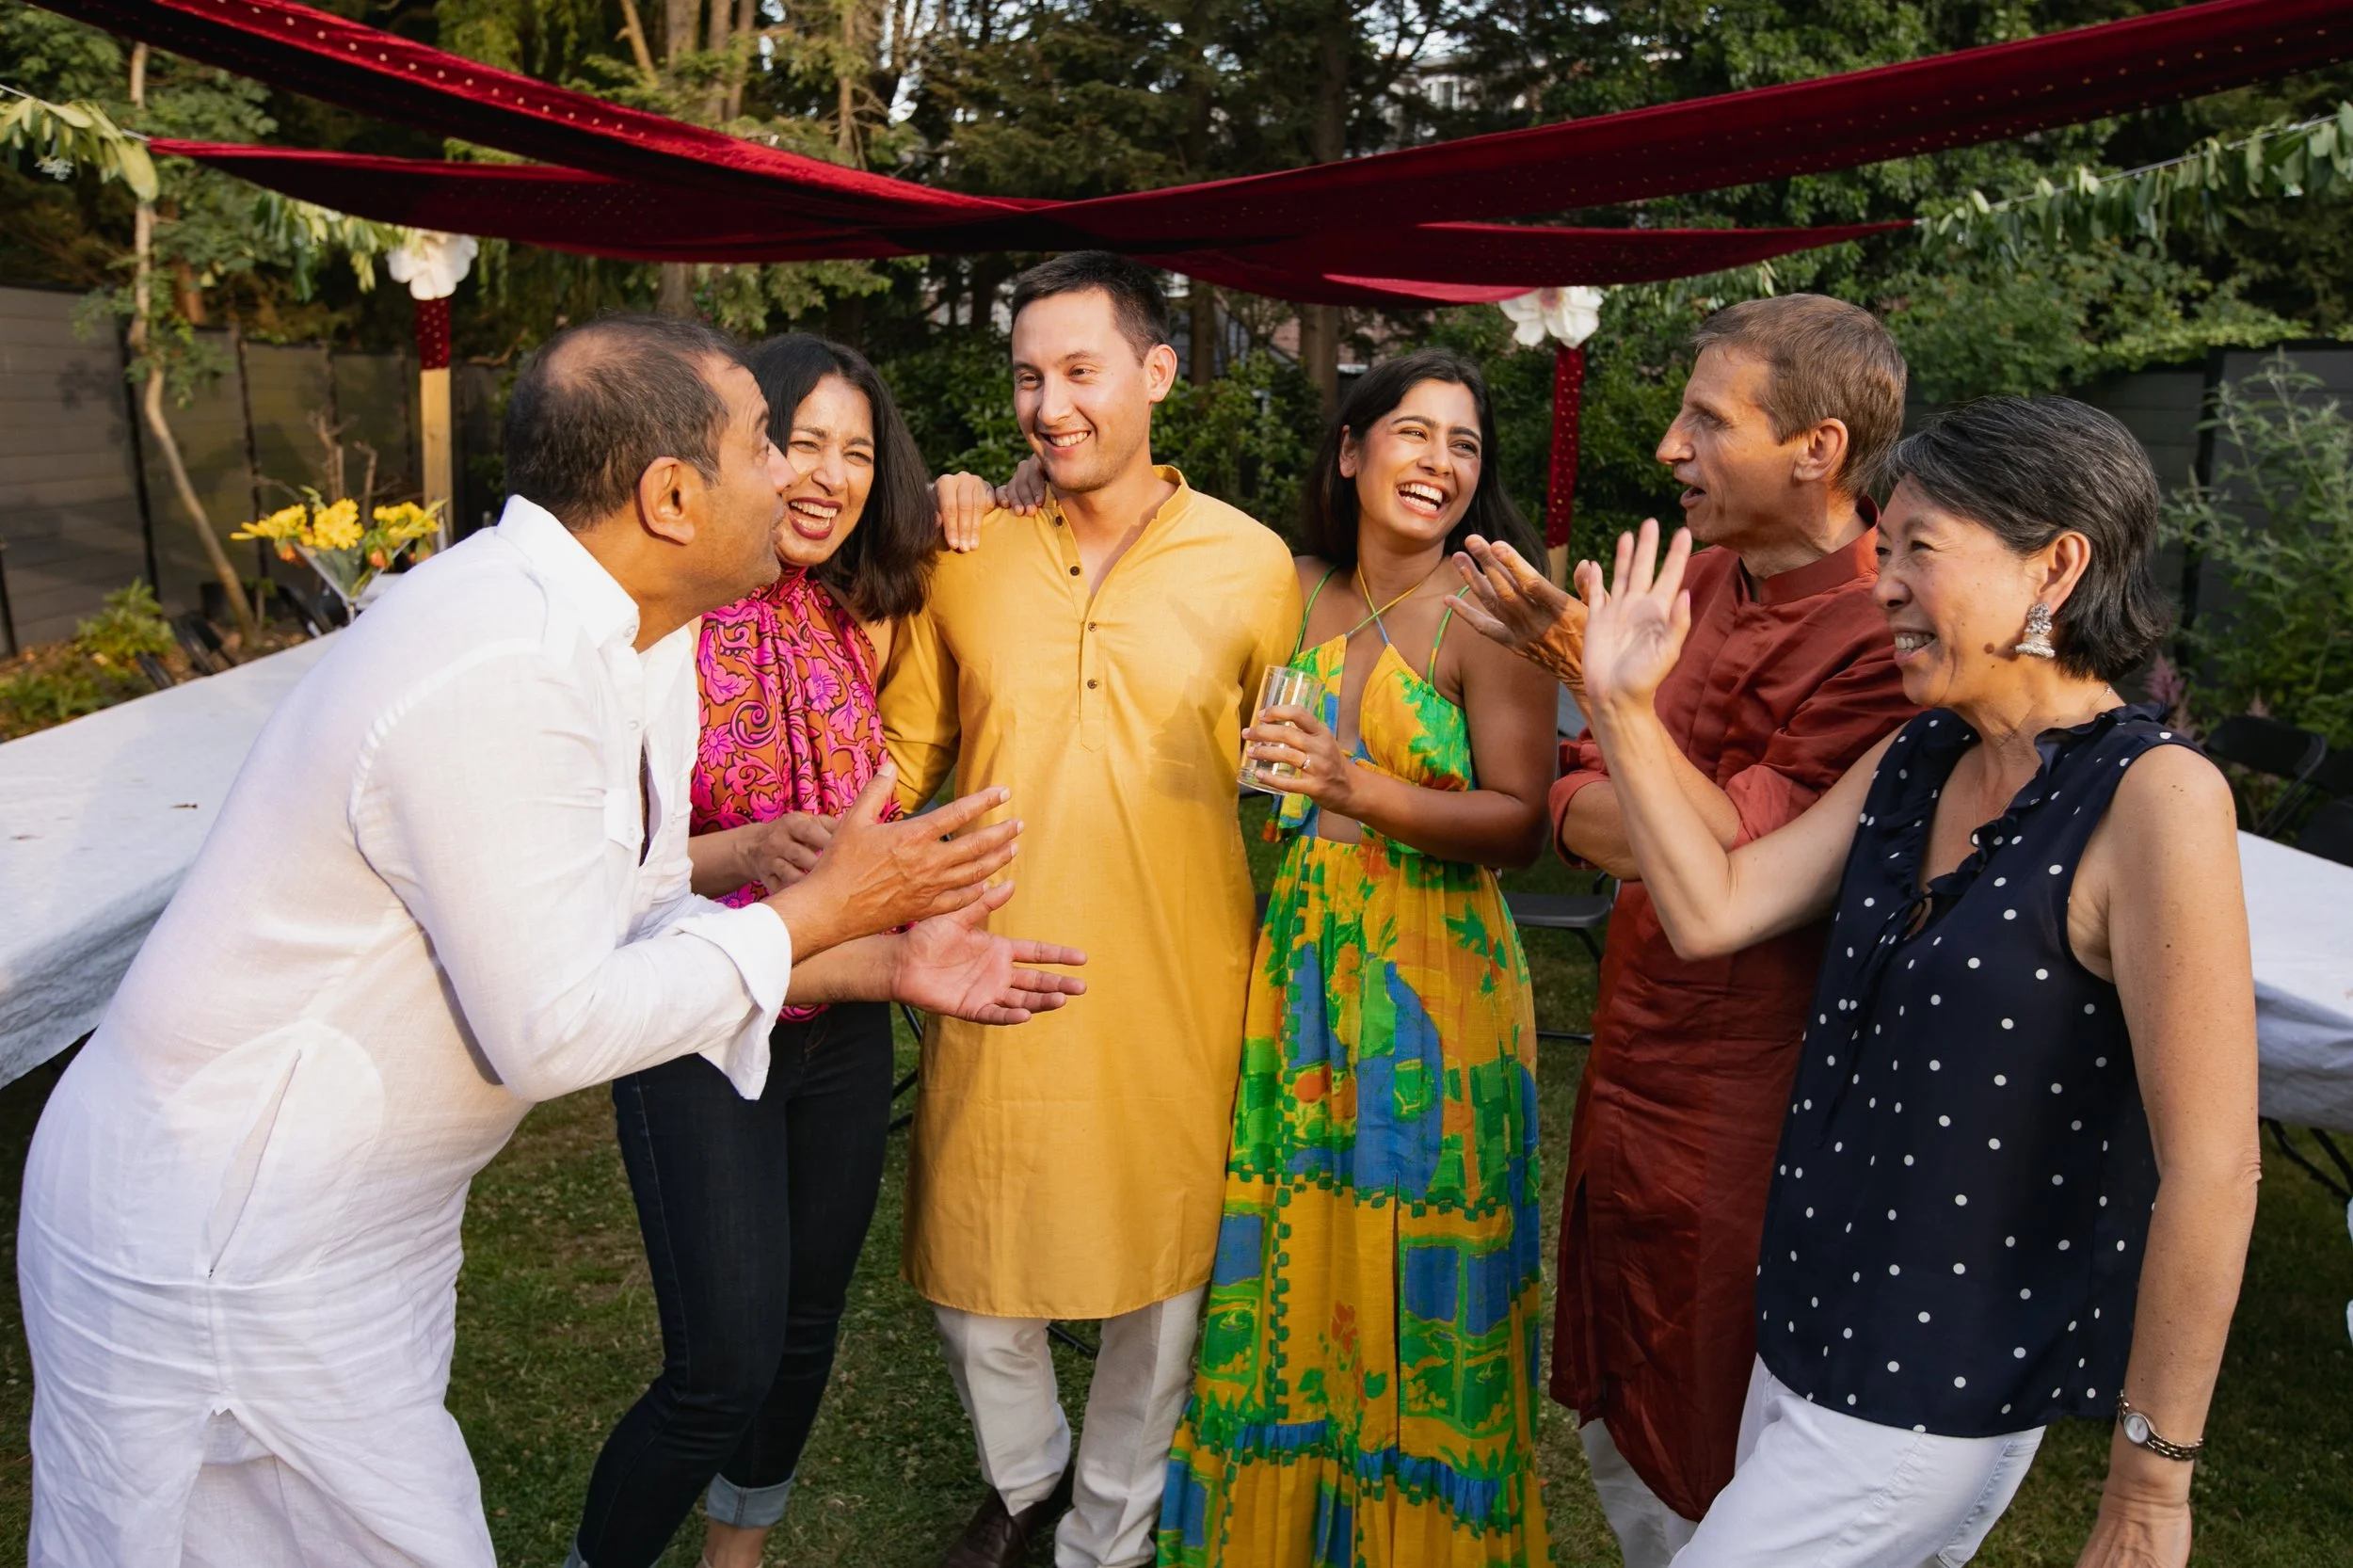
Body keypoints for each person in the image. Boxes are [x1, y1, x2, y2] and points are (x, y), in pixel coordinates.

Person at [17, 314, 1084, 1568]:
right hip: (220, 1241)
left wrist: (878, 964)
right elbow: (551, 1024)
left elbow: (626, 912)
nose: (799, 478)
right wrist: (821, 911)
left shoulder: (637, 632)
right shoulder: (499, 659)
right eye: (765, 446)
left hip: (351, 1225)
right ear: (674, 496)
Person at [1573, 396, 2256, 1567]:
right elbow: (1711, 910)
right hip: (1798, 1332)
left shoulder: (2156, 800)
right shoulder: (1919, 754)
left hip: (1935, 1383)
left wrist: (2150, 1483)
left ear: (2057, 565)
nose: (1881, 581)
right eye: (1880, 549)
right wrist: (1624, 709)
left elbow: (2212, 1164)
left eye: (1917, 548)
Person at [1451, 295, 1918, 1563]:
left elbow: (1732, 865)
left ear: (1817, 449)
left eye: (1708, 421)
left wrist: (1589, 688)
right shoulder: (1701, 576)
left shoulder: (1882, 633)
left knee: (1715, 1430)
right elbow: (1575, 802)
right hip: (1630, 1055)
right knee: (1612, 1400)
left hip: (1749, 1100)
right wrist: (1608, 756)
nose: (1669, 448)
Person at [566, 332, 1032, 1568]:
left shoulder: (857, 608)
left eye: (858, 452)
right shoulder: (657, 616)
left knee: (806, 1318)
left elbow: (1033, 502)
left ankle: (737, 1557)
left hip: (841, 1016)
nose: (826, 476)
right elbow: (612, 871)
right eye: (801, 442)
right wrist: (750, 847)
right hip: (695, 1011)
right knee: (718, 1360)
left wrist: (989, 490)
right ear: (743, 451)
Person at [881, 251, 1303, 1568]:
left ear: (1157, 373)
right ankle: (1029, 1477)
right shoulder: (964, 548)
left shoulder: (1254, 562)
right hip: (988, 959)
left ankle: (1105, 1533)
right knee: (972, 1260)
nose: (1048, 406)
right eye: (1028, 377)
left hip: (1177, 976)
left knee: (1163, 1281)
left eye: (1079, 371)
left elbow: (1285, 770)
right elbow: (901, 758)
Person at [1158, 348, 1560, 1567]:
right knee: (1292, 1240)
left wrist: (1359, 785)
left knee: (1422, 1258)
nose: (1440, 462)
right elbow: (1150, 544)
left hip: (1437, 987)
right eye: (1415, 432)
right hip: (1302, 964)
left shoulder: (1494, 611)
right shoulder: (1286, 584)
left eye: (1466, 445)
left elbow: (1524, 822)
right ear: (1351, 448)